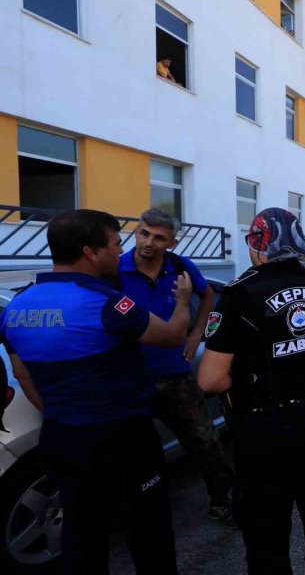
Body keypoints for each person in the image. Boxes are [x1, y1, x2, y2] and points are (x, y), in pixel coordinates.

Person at [0, 209, 190, 574]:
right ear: (91, 252)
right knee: (149, 531)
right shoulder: (106, 304)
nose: (121, 252)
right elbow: (172, 336)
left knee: (80, 532)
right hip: (124, 438)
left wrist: (62, 411)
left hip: (61, 437)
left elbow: (24, 375)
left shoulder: (17, 306)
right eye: (116, 244)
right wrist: (182, 301)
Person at [198, 207, 305, 575]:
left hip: (265, 426)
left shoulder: (240, 293)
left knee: (266, 528)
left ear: (258, 244)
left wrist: (249, 381)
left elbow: (210, 379)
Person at [117, 208, 235, 525]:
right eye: (144, 233)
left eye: (159, 238)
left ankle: (222, 501)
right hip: (130, 379)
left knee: (206, 442)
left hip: (176, 377)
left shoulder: (181, 268)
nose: (148, 242)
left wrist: (197, 333)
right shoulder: (114, 270)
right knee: (132, 454)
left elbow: (208, 294)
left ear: (172, 242)